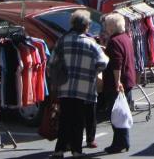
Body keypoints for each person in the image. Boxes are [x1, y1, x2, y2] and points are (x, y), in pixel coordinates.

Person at [50, 9, 108, 158]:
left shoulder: (62, 40)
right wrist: (92, 70)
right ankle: (76, 151)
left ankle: (59, 150)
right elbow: (103, 62)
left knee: (65, 118)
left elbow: (52, 62)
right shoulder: (91, 43)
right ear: (86, 26)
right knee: (79, 119)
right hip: (84, 87)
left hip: (65, 86)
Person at [99, 14, 137, 154]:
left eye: (107, 25)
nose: (106, 28)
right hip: (128, 79)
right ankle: (120, 141)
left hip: (119, 82)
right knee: (122, 112)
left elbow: (117, 64)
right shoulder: (125, 37)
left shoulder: (114, 41)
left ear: (112, 26)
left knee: (117, 114)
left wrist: (117, 82)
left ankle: (121, 142)